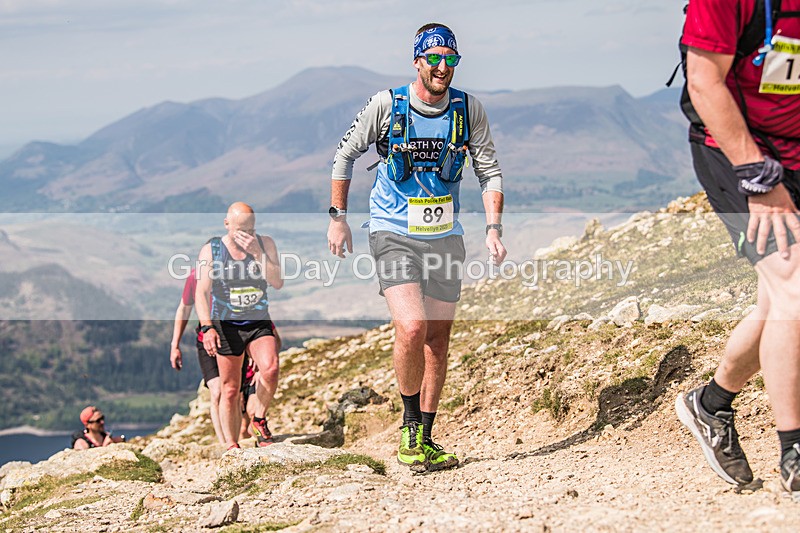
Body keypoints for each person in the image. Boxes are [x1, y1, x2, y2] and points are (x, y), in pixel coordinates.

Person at [327, 23, 506, 472]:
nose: (443, 68)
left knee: (437, 340)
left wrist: (493, 229)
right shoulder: (387, 104)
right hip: (393, 230)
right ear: (418, 61)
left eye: (451, 60)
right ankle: (408, 426)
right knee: (411, 326)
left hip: (445, 234)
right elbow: (344, 155)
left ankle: (425, 436)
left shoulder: (468, 109)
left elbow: (489, 171)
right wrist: (338, 219)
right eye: (435, 59)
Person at [675, 0, 800, 498]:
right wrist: (756, 172)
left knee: (777, 302)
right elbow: (703, 81)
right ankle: (794, 450)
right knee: (793, 284)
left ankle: (711, 403)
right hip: (733, 149)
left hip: (793, 150)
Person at [195, 202, 283, 450]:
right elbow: (200, 293)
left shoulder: (265, 244)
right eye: (240, 230)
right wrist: (207, 328)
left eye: (250, 229)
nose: (246, 235)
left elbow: (277, 282)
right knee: (231, 389)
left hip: (257, 320)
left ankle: (259, 418)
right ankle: (232, 446)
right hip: (226, 325)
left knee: (271, 368)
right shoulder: (212, 250)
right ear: (227, 225)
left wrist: (258, 254)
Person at [170, 268, 226, 445]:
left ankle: (236, 437)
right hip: (205, 341)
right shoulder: (195, 276)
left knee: (233, 392)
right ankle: (226, 445)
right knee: (217, 391)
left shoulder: (232, 273)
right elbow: (184, 309)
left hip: (232, 339)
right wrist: (175, 345)